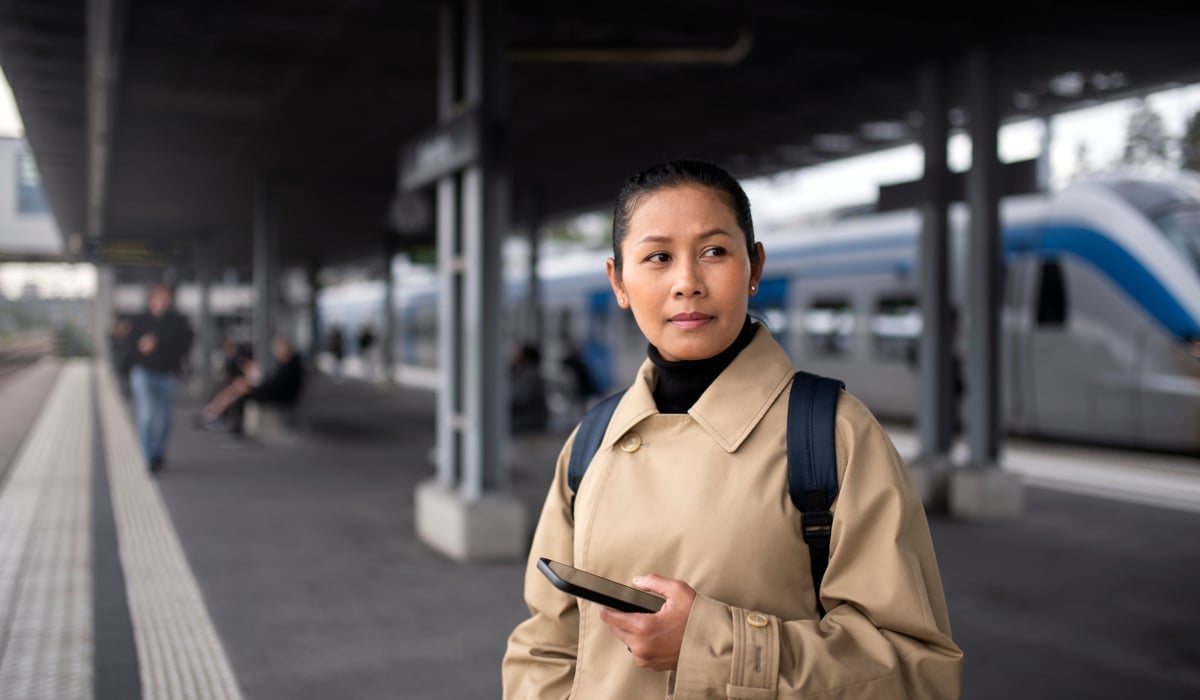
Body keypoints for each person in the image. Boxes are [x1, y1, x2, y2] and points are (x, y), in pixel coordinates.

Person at [502, 160, 962, 698]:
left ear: (755, 266)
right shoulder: (592, 440)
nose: (687, 283)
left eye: (714, 252)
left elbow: (915, 671)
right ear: (618, 282)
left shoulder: (832, 434)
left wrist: (716, 645)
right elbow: (547, 645)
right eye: (657, 257)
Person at [127, 283, 194, 472]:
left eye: (166, 298)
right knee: (147, 414)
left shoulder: (177, 321)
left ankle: (157, 452)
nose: (163, 301)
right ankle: (147, 456)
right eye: (159, 297)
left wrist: (163, 347)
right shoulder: (140, 320)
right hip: (143, 372)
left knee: (164, 417)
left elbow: (185, 343)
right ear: (151, 299)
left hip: (167, 374)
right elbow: (129, 346)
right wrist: (141, 347)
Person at [199, 336, 304, 434]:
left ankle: (230, 422)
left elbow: (279, 385)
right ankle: (217, 415)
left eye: (279, 348)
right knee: (238, 389)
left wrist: (256, 387)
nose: (277, 351)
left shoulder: (291, 365)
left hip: (281, 395)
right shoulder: (287, 363)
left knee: (242, 394)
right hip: (275, 392)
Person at [510, 343, 549, 434]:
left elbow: (518, 399)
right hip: (528, 420)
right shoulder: (522, 373)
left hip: (530, 422)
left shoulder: (531, 376)